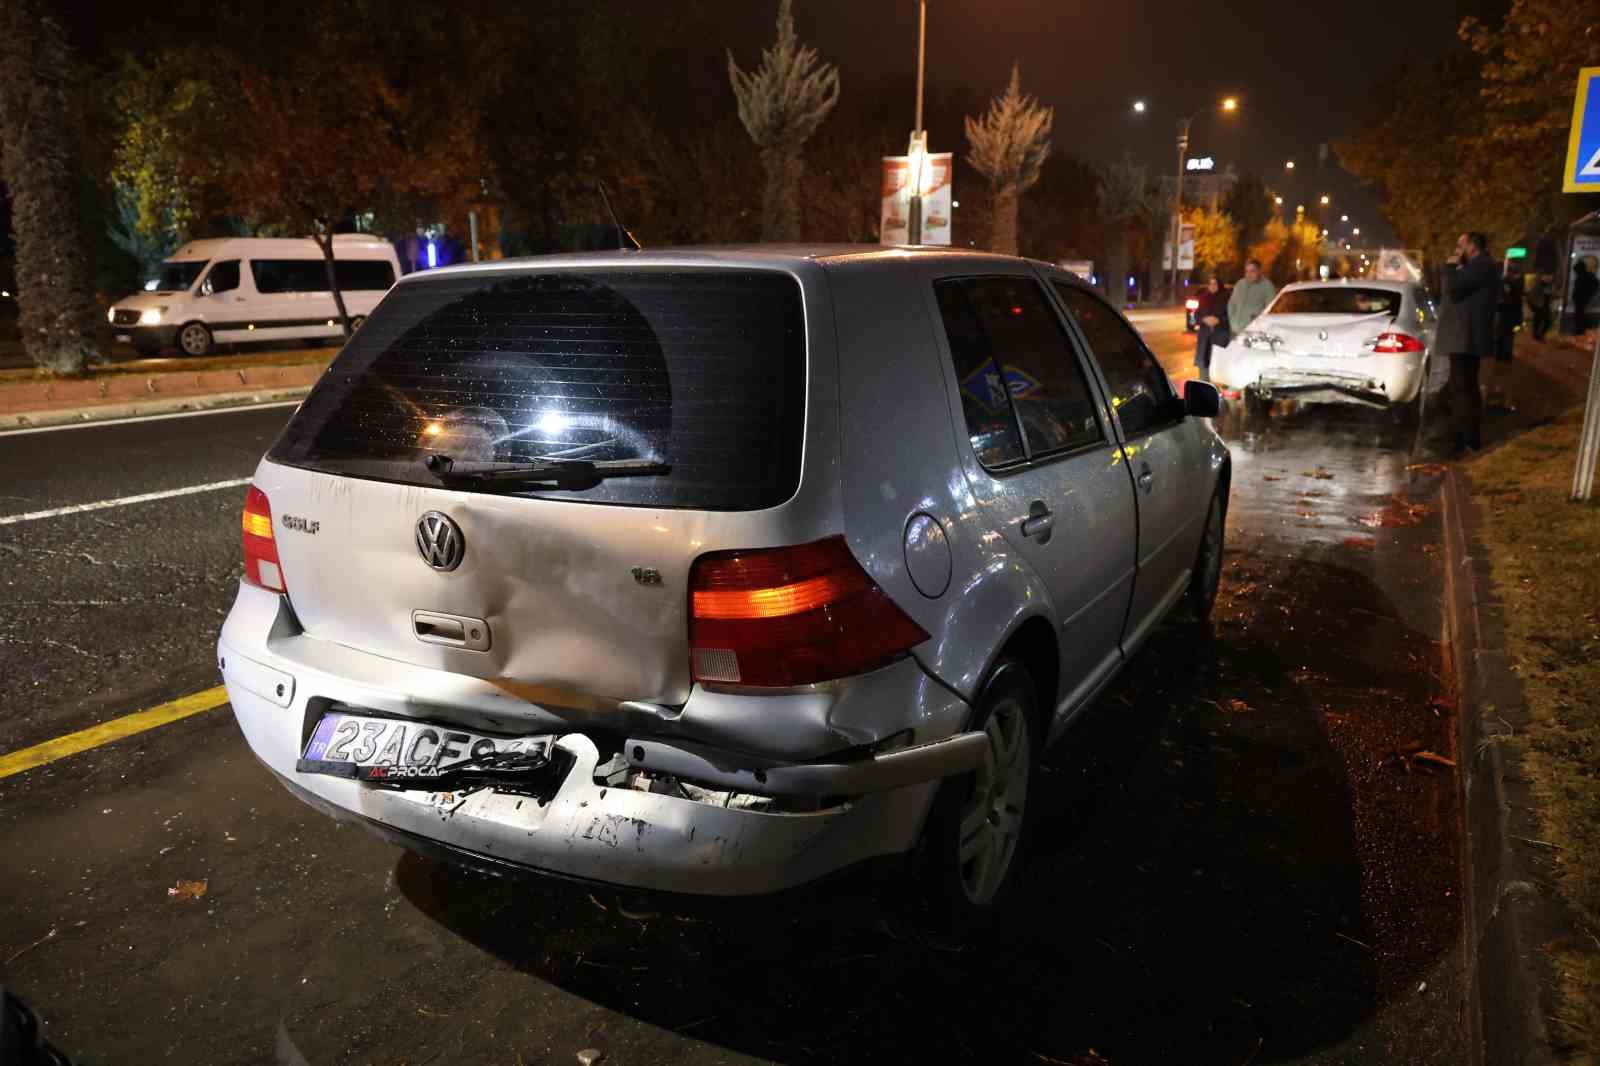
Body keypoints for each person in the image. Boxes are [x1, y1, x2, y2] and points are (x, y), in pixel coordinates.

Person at [1438, 231, 1501, 454]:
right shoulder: (1480, 266)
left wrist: (1450, 266)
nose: (1457, 250)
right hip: (1464, 338)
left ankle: (1467, 440)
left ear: (1472, 246)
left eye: (1460, 245)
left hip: (1466, 339)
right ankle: (1464, 437)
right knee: (1463, 388)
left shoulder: (1480, 265)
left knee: (1464, 389)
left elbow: (1453, 289)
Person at [1488, 268, 1523, 410]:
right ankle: (1499, 393)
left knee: (1499, 360)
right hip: (1503, 327)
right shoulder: (1508, 287)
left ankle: (1497, 392)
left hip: (1502, 327)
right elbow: (1515, 305)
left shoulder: (1502, 287)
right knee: (1502, 360)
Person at [1192, 274, 1228, 381]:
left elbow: (1230, 316)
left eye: (1215, 284)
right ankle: (1204, 389)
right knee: (1204, 368)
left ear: (1219, 285)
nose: (1212, 286)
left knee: (1217, 368)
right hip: (1204, 337)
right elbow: (1196, 315)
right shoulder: (1204, 298)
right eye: (1210, 284)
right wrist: (1204, 319)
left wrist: (1219, 320)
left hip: (1220, 336)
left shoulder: (1226, 298)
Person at [1227, 258, 1276, 336]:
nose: (1249, 274)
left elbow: (1270, 310)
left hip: (1252, 332)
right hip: (1234, 331)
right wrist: (1230, 321)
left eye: (1252, 271)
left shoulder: (1267, 286)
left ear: (1259, 271)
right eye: (1247, 271)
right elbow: (1231, 304)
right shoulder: (1240, 284)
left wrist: (1257, 324)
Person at [1572, 260, 1598, 335]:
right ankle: (1580, 331)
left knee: (1579, 315)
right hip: (1581, 299)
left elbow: (1595, 285)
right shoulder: (1585, 275)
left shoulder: (1584, 276)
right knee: (1580, 315)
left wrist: (1588, 294)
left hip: (1581, 299)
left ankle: (1580, 331)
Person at [1528, 274, 1553, 342]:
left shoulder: (1549, 286)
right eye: (1547, 277)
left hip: (1545, 306)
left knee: (1547, 321)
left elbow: (1550, 295)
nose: (1549, 278)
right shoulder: (1538, 286)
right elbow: (1532, 296)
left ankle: (1540, 334)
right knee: (1538, 321)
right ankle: (1536, 335)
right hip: (1539, 306)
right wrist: (1535, 305)